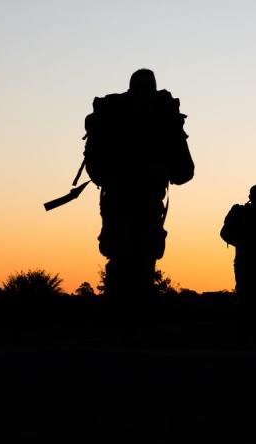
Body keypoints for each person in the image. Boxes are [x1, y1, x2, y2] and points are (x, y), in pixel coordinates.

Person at [83, 69, 194, 299]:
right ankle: (135, 322)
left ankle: (123, 321)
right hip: (143, 202)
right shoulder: (161, 115)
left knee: (122, 261)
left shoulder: (114, 114)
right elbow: (185, 172)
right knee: (140, 263)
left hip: (118, 201)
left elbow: (94, 164)